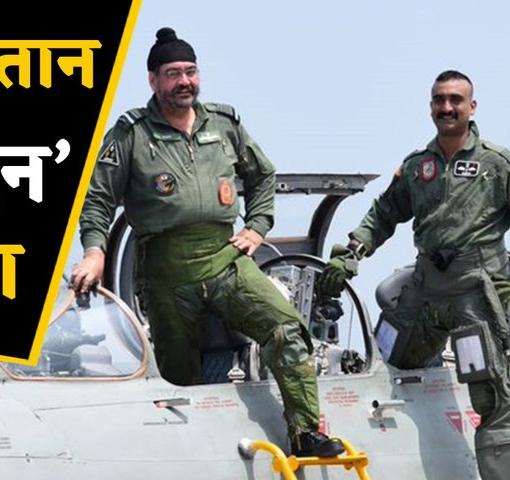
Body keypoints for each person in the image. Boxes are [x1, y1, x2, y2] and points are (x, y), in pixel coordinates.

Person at [70, 26, 345, 458]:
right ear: (153, 80)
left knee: (287, 329)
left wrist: (257, 226)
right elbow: (98, 199)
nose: (184, 81)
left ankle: (305, 433)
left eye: (191, 71)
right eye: (173, 74)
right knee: (179, 375)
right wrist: (94, 252)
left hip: (225, 259)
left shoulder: (224, 124)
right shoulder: (131, 134)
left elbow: (263, 175)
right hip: (165, 272)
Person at [318, 69, 510, 480]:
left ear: (472, 107)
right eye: (439, 100)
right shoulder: (417, 166)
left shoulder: (497, 164)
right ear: (430, 107)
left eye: (455, 100)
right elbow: (384, 214)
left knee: (492, 397)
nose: (447, 107)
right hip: (424, 292)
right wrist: (351, 254)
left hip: (474, 297)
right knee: (385, 364)